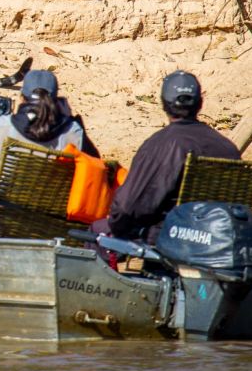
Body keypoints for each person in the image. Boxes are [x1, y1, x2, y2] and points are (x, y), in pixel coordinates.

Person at [101, 70, 240, 243]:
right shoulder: (228, 148)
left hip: (171, 239)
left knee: (98, 231)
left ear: (163, 104)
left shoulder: (162, 144)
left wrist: (116, 224)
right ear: (200, 103)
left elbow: (127, 208)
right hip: (220, 240)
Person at [0, 69, 86, 191]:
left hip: (0, 199)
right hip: (51, 201)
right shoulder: (72, 131)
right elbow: (93, 165)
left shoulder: (4, 125)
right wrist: (71, 119)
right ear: (57, 101)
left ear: (22, 97)